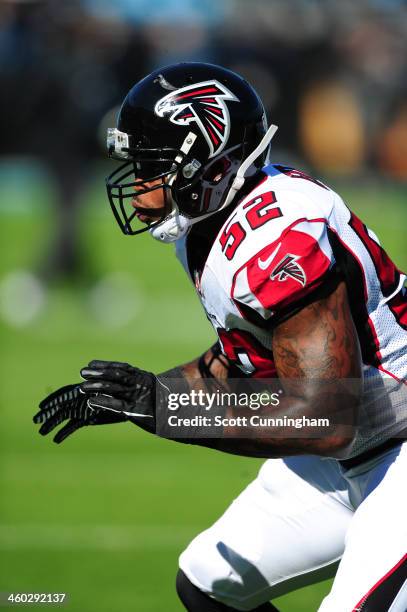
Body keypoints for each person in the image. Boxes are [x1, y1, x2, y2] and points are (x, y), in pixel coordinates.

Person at [33, 63, 407, 611]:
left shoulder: (277, 240)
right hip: (361, 445)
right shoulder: (210, 224)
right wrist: (138, 396)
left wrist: (165, 410)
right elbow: (247, 356)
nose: (138, 187)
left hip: (391, 443)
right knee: (208, 584)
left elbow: (326, 415)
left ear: (213, 166)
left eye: (152, 168)